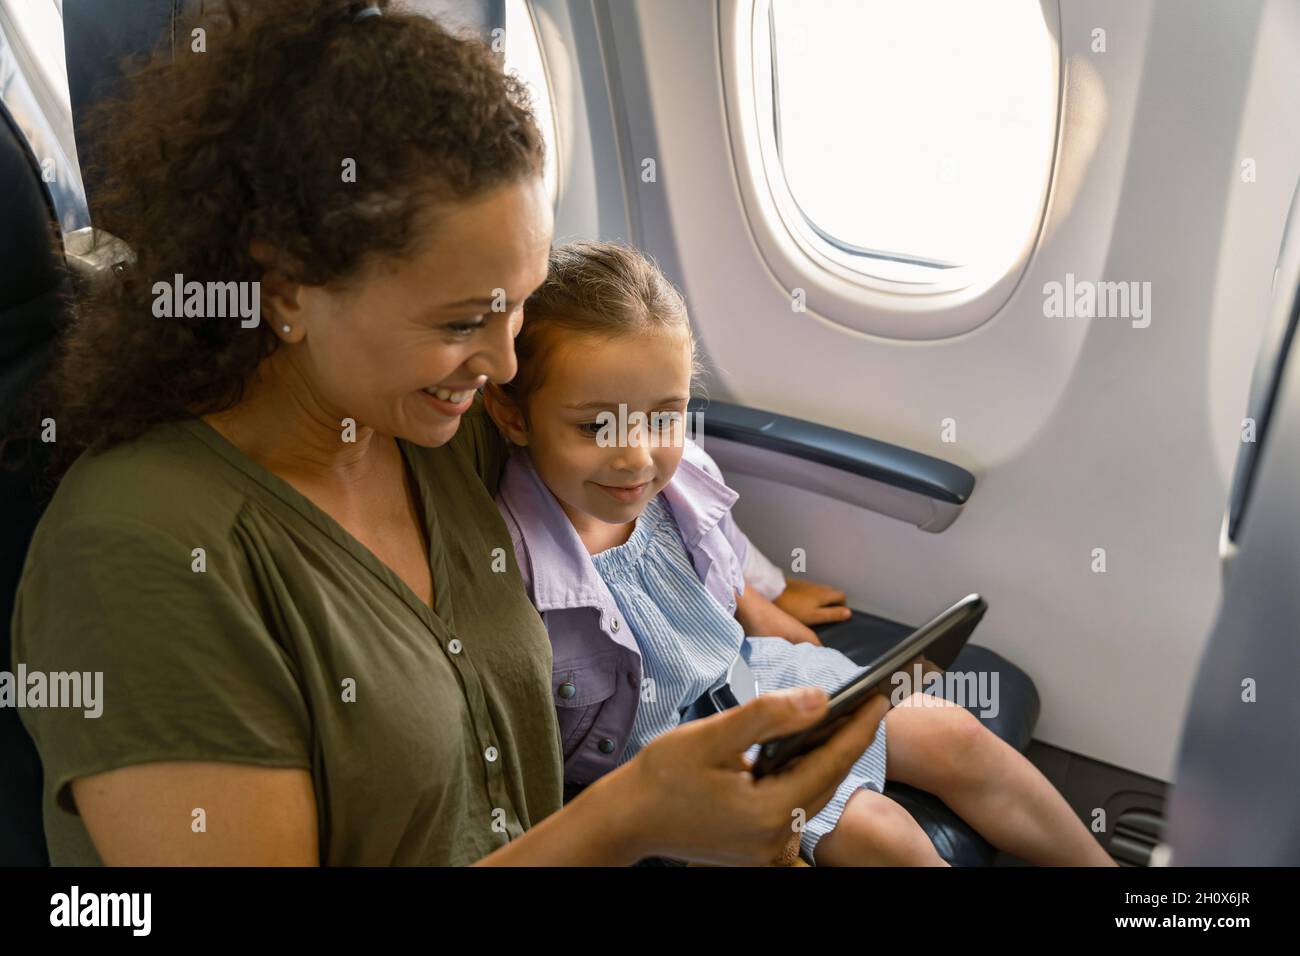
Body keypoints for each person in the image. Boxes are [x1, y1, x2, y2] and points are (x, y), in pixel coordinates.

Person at [6, 0, 886, 866]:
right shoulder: (141, 558)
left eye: (520, 306)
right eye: (464, 321)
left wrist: (750, 588)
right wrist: (626, 822)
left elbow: (634, 469)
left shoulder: (448, 434)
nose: (505, 364)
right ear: (285, 292)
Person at [485, 240, 1119, 866]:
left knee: (954, 733)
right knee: (882, 834)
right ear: (514, 416)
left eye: (664, 418)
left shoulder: (674, 484)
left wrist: (772, 595)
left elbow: (722, 554)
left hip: (748, 679)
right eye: (598, 426)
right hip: (671, 761)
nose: (638, 456)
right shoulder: (513, 563)